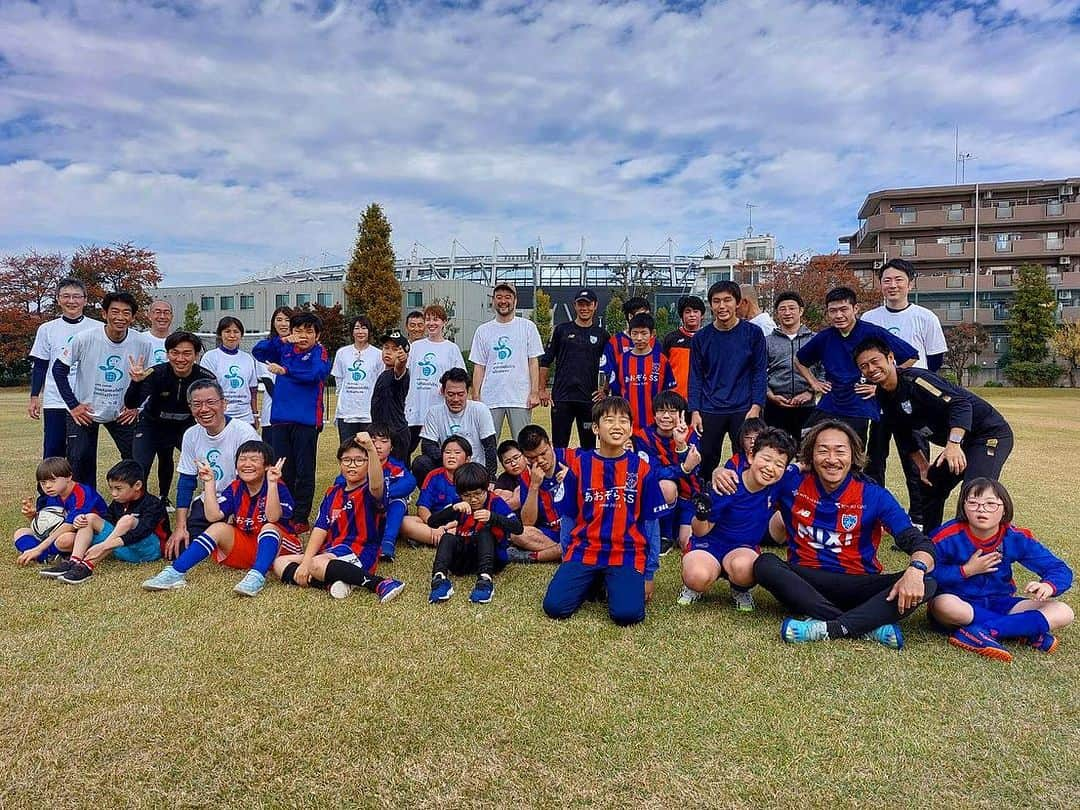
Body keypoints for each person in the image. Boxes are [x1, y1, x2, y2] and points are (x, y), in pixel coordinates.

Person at [719, 420, 938, 649]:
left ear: (853, 455)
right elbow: (748, 476)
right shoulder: (789, 482)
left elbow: (915, 539)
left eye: (840, 451)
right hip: (805, 582)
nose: (831, 459)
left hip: (858, 584)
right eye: (822, 451)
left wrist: (917, 570)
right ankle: (866, 623)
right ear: (810, 456)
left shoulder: (873, 494)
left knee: (930, 582)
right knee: (764, 563)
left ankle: (832, 626)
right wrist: (719, 472)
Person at [854, 336, 1014, 535]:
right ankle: (931, 542)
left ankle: (979, 547)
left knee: (975, 491)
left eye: (875, 361)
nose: (870, 369)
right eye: (864, 366)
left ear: (890, 358)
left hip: (988, 434)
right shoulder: (883, 395)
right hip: (961, 441)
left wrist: (953, 445)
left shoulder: (917, 380)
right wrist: (922, 467)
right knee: (931, 484)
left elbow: (960, 404)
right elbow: (902, 433)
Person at [542, 397, 668, 627]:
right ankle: (594, 580)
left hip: (626, 551)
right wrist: (567, 558)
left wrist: (648, 574)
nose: (617, 426)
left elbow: (651, 524)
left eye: (624, 421)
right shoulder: (580, 466)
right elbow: (569, 517)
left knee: (627, 615)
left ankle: (610, 580)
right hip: (585, 549)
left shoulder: (642, 469)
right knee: (555, 607)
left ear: (631, 428)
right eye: (609, 420)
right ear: (596, 428)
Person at [928, 478, 1073, 662]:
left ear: (1004, 508)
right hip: (960, 603)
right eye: (973, 503)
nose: (981, 509)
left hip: (1002, 602)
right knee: (944, 605)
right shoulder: (946, 535)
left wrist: (1049, 586)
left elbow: (1059, 568)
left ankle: (986, 631)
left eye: (990, 504)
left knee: (1063, 612)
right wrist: (965, 571)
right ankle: (1021, 630)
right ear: (963, 506)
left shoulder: (1014, 537)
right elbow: (926, 574)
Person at [144, 440, 300, 596]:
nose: (247, 464)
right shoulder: (236, 487)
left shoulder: (277, 486)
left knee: (269, 527)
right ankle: (174, 573)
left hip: (281, 551)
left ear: (267, 466)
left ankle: (257, 577)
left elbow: (273, 517)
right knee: (218, 528)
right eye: (242, 459)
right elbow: (213, 516)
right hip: (249, 547)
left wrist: (272, 483)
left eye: (254, 460)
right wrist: (209, 482)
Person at [861, 259, 949, 528]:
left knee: (915, 459)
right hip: (878, 398)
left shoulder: (925, 317)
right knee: (874, 459)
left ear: (910, 283)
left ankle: (918, 518)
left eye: (898, 279)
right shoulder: (869, 318)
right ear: (880, 285)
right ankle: (874, 515)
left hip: (912, 401)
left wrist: (910, 384)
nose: (893, 285)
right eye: (887, 280)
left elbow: (934, 360)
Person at [272, 434, 405, 603]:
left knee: (316, 564)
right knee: (280, 563)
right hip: (331, 552)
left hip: (360, 552)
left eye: (359, 460)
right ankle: (334, 582)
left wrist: (371, 448)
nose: (352, 465)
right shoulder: (332, 492)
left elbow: (377, 485)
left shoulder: (370, 491)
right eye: (347, 460)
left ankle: (380, 583)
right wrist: (305, 562)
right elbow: (320, 528)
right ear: (340, 463)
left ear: (368, 463)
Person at [679, 427, 797, 610]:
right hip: (709, 544)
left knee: (746, 570)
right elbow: (700, 530)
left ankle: (739, 588)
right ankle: (695, 585)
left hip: (743, 547)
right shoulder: (728, 483)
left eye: (779, 465)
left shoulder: (778, 484)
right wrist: (702, 513)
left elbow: (801, 466)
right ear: (751, 457)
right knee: (697, 576)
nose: (770, 468)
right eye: (766, 459)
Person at [794, 286, 918, 448]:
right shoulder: (825, 337)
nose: (838, 315)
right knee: (807, 442)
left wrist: (881, 386)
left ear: (855, 308)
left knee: (851, 451)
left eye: (843, 309)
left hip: (859, 404)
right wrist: (814, 382)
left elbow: (911, 356)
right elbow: (799, 360)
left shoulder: (872, 332)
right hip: (830, 402)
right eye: (833, 311)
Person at [52, 291, 151, 488]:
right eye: (115, 311)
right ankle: (85, 505)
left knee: (136, 457)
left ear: (132, 317)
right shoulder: (85, 338)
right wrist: (73, 405)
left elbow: (146, 380)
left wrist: (135, 407)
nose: (120, 317)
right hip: (85, 410)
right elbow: (58, 370)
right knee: (79, 459)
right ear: (104, 314)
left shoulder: (141, 342)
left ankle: (132, 503)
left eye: (126, 313)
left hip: (121, 412)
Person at [252, 310, 331, 531]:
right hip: (280, 419)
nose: (303, 335)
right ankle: (285, 511)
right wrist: (283, 338)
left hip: (306, 421)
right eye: (298, 330)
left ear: (318, 335)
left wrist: (286, 371)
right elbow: (258, 351)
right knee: (283, 469)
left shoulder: (320, 352)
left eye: (309, 331)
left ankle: (300, 517)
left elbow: (315, 374)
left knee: (305, 470)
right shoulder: (285, 348)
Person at [167, 379, 261, 559]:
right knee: (181, 550)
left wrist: (236, 512)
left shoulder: (244, 433)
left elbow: (255, 480)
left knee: (235, 546)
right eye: (197, 404)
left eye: (211, 402)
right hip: (208, 501)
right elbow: (186, 482)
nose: (204, 409)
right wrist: (180, 526)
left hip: (240, 501)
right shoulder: (191, 435)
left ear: (224, 404)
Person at [688, 280, 768, 483]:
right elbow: (695, 376)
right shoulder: (701, 338)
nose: (722, 306)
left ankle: (743, 498)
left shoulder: (753, 334)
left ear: (738, 302)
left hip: (744, 407)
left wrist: (756, 406)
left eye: (727, 300)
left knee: (747, 458)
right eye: (716, 301)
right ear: (711, 305)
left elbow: (759, 372)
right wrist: (695, 411)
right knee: (705, 459)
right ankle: (704, 498)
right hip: (710, 407)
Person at [39, 459, 168, 584]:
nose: (113, 493)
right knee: (88, 517)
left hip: (149, 551)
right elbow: (106, 522)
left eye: (118, 489)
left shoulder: (153, 504)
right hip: (123, 548)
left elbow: (140, 532)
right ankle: (74, 561)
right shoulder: (117, 503)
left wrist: (103, 546)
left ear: (137, 485)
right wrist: (79, 521)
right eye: (111, 488)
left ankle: (88, 566)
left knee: (127, 520)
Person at [125, 331, 215, 502]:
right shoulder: (156, 374)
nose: (180, 358)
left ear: (196, 355)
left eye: (187, 353)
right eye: (175, 353)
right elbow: (131, 403)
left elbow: (213, 406)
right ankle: (136, 505)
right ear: (167, 354)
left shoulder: (205, 377)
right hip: (152, 424)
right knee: (140, 465)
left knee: (207, 460)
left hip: (185, 426)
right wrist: (136, 383)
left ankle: (210, 498)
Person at [427, 461, 522, 605]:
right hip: (464, 560)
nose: (473, 499)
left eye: (478, 493)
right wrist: (453, 509)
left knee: (484, 531)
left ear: (486, 489)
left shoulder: (495, 502)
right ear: (459, 494)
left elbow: (518, 528)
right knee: (447, 537)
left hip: (493, 558)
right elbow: (432, 522)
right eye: (467, 495)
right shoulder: (459, 503)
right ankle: (439, 579)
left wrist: (493, 517)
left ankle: (485, 581)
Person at [27, 277, 98, 458]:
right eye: (66, 296)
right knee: (53, 451)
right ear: (58, 299)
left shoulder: (98, 328)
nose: (71, 301)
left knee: (84, 454)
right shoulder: (47, 329)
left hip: (85, 402)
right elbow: (41, 365)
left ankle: (84, 487)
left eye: (77, 296)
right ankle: (47, 487)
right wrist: (35, 396)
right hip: (55, 400)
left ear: (85, 299)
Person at [470, 281, 543, 441]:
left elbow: (533, 362)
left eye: (508, 297)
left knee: (523, 444)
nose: (503, 301)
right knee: (486, 444)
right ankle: (487, 468)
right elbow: (479, 366)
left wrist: (535, 392)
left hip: (519, 397)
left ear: (515, 301)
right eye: (499, 297)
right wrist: (476, 395)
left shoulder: (527, 327)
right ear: (493, 300)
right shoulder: (483, 330)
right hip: (490, 398)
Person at [632, 390, 702, 554]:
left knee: (687, 544)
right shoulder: (643, 438)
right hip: (660, 496)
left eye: (672, 412)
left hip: (688, 497)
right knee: (666, 486)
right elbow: (653, 472)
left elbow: (696, 470)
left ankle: (679, 529)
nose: (666, 416)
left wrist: (681, 445)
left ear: (681, 414)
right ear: (654, 414)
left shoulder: (691, 434)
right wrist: (684, 468)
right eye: (661, 411)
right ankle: (665, 535)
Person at [539, 288, 609, 450]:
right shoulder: (561, 330)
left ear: (595, 306)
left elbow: (609, 365)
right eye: (581, 304)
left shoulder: (602, 335)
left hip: (588, 400)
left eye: (588, 304)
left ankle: (586, 475)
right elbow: (546, 361)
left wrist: (605, 390)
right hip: (562, 398)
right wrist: (542, 389)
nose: (584, 308)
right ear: (575, 306)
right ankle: (560, 475)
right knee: (559, 446)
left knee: (588, 446)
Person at [14, 457, 107, 565]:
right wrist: (33, 517)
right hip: (63, 532)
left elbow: (69, 526)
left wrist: (38, 548)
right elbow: (51, 524)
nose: (47, 486)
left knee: (64, 540)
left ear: (69, 476)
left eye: (53, 480)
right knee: (20, 532)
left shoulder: (82, 493)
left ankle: (42, 554)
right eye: (43, 482)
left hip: (91, 534)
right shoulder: (54, 494)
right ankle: (47, 556)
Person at [414, 367, 497, 482]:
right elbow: (427, 446)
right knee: (421, 463)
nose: (456, 399)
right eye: (451, 394)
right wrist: (453, 460)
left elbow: (490, 446)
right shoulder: (434, 412)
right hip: (447, 467)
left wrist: (491, 479)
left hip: (474, 469)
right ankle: (435, 495)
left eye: (460, 394)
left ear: (467, 392)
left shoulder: (480, 410)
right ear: (443, 392)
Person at [404, 304, 465, 455]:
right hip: (415, 408)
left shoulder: (451, 348)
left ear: (444, 322)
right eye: (428, 320)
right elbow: (404, 373)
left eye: (436, 319)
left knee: (435, 452)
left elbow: (461, 376)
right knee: (404, 449)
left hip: (438, 408)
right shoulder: (415, 347)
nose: (431, 324)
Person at [400, 435, 475, 549]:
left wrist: (453, 526)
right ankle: (444, 539)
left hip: (461, 525)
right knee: (403, 522)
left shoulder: (473, 477)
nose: (451, 456)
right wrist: (434, 526)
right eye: (447, 452)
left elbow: (477, 510)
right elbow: (423, 508)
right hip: (435, 522)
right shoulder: (433, 476)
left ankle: (430, 539)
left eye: (457, 453)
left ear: (467, 459)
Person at [605, 312, 676, 432]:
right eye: (635, 333)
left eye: (643, 333)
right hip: (627, 424)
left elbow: (668, 394)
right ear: (630, 334)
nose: (639, 338)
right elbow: (617, 394)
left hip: (655, 426)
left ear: (652, 334)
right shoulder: (621, 360)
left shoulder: (661, 360)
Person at [516, 425, 576, 564]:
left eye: (543, 453)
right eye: (532, 458)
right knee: (518, 534)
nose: (540, 461)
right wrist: (534, 486)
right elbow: (527, 522)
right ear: (525, 457)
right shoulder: (526, 475)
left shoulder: (573, 459)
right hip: (550, 533)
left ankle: (538, 556)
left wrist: (574, 478)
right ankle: (565, 551)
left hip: (576, 529)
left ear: (551, 444)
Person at [764, 291, 817, 440]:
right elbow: (758, 372)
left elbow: (824, 371)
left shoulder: (815, 339)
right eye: (783, 309)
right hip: (774, 407)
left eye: (792, 308)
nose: (787, 313)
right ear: (777, 313)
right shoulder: (767, 341)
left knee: (806, 453)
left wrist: (810, 392)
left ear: (801, 310)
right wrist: (770, 395)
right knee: (775, 450)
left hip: (807, 407)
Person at [368, 424, 417, 563]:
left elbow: (410, 482)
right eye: (373, 441)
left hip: (390, 512)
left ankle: (388, 543)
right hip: (366, 510)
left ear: (392, 446)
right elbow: (341, 482)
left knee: (399, 502)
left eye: (384, 442)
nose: (377, 446)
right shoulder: (360, 463)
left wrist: (385, 493)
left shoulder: (396, 466)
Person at [331, 315, 383, 444]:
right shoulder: (342, 353)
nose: (360, 332)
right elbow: (339, 380)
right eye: (357, 328)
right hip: (347, 412)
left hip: (369, 413)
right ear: (352, 331)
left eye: (364, 328)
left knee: (369, 451)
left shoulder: (378, 354)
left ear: (369, 331)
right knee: (348, 449)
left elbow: (380, 382)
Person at [200, 316, 259, 426]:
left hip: (245, 417)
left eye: (236, 332)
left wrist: (255, 414)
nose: (232, 335)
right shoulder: (210, 357)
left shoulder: (248, 358)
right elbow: (205, 389)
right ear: (220, 334)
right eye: (227, 331)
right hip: (220, 417)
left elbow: (253, 390)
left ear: (241, 335)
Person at [370, 330, 411, 463]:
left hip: (396, 433)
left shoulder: (398, 374)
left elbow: (399, 371)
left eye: (394, 349)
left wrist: (401, 363)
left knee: (397, 473)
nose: (388, 352)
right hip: (382, 432)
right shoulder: (383, 373)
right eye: (386, 348)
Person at [258, 306, 292, 447]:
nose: (283, 323)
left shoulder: (299, 348)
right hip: (271, 415)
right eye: (279, 319)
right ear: (273, 323)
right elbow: (267, 382)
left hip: (294, 416)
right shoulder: (265, 347)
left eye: (287, 320)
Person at [662, 294, 706, 401]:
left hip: (703, 400)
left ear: (702, 315)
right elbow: (662, 369)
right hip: (675, 399)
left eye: (696, 311)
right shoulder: (671, 339)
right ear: (681, 315)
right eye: (688, 312)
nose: (692, 315)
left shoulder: (710, 338)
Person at [601, 296, 651, 378]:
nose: (645, 318)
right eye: (641, 315)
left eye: (648, 315)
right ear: (630, 316)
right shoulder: (615, 342)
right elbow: (606, 371)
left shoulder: (653, 342)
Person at [493, 440, 527, 510]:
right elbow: (499, 505)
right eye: (507, 462)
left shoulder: (535, 470)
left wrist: (512, 496)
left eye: (516, 458)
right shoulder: (503, 479)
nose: (513, 464)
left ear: (524, 455)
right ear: (502, 465)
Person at [145, 300, 174, 366]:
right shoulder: (140, 340)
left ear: (172, 316)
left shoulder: (178, 341)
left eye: (166, 313)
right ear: (149, 315)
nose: (162, 316)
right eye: (158, 312)